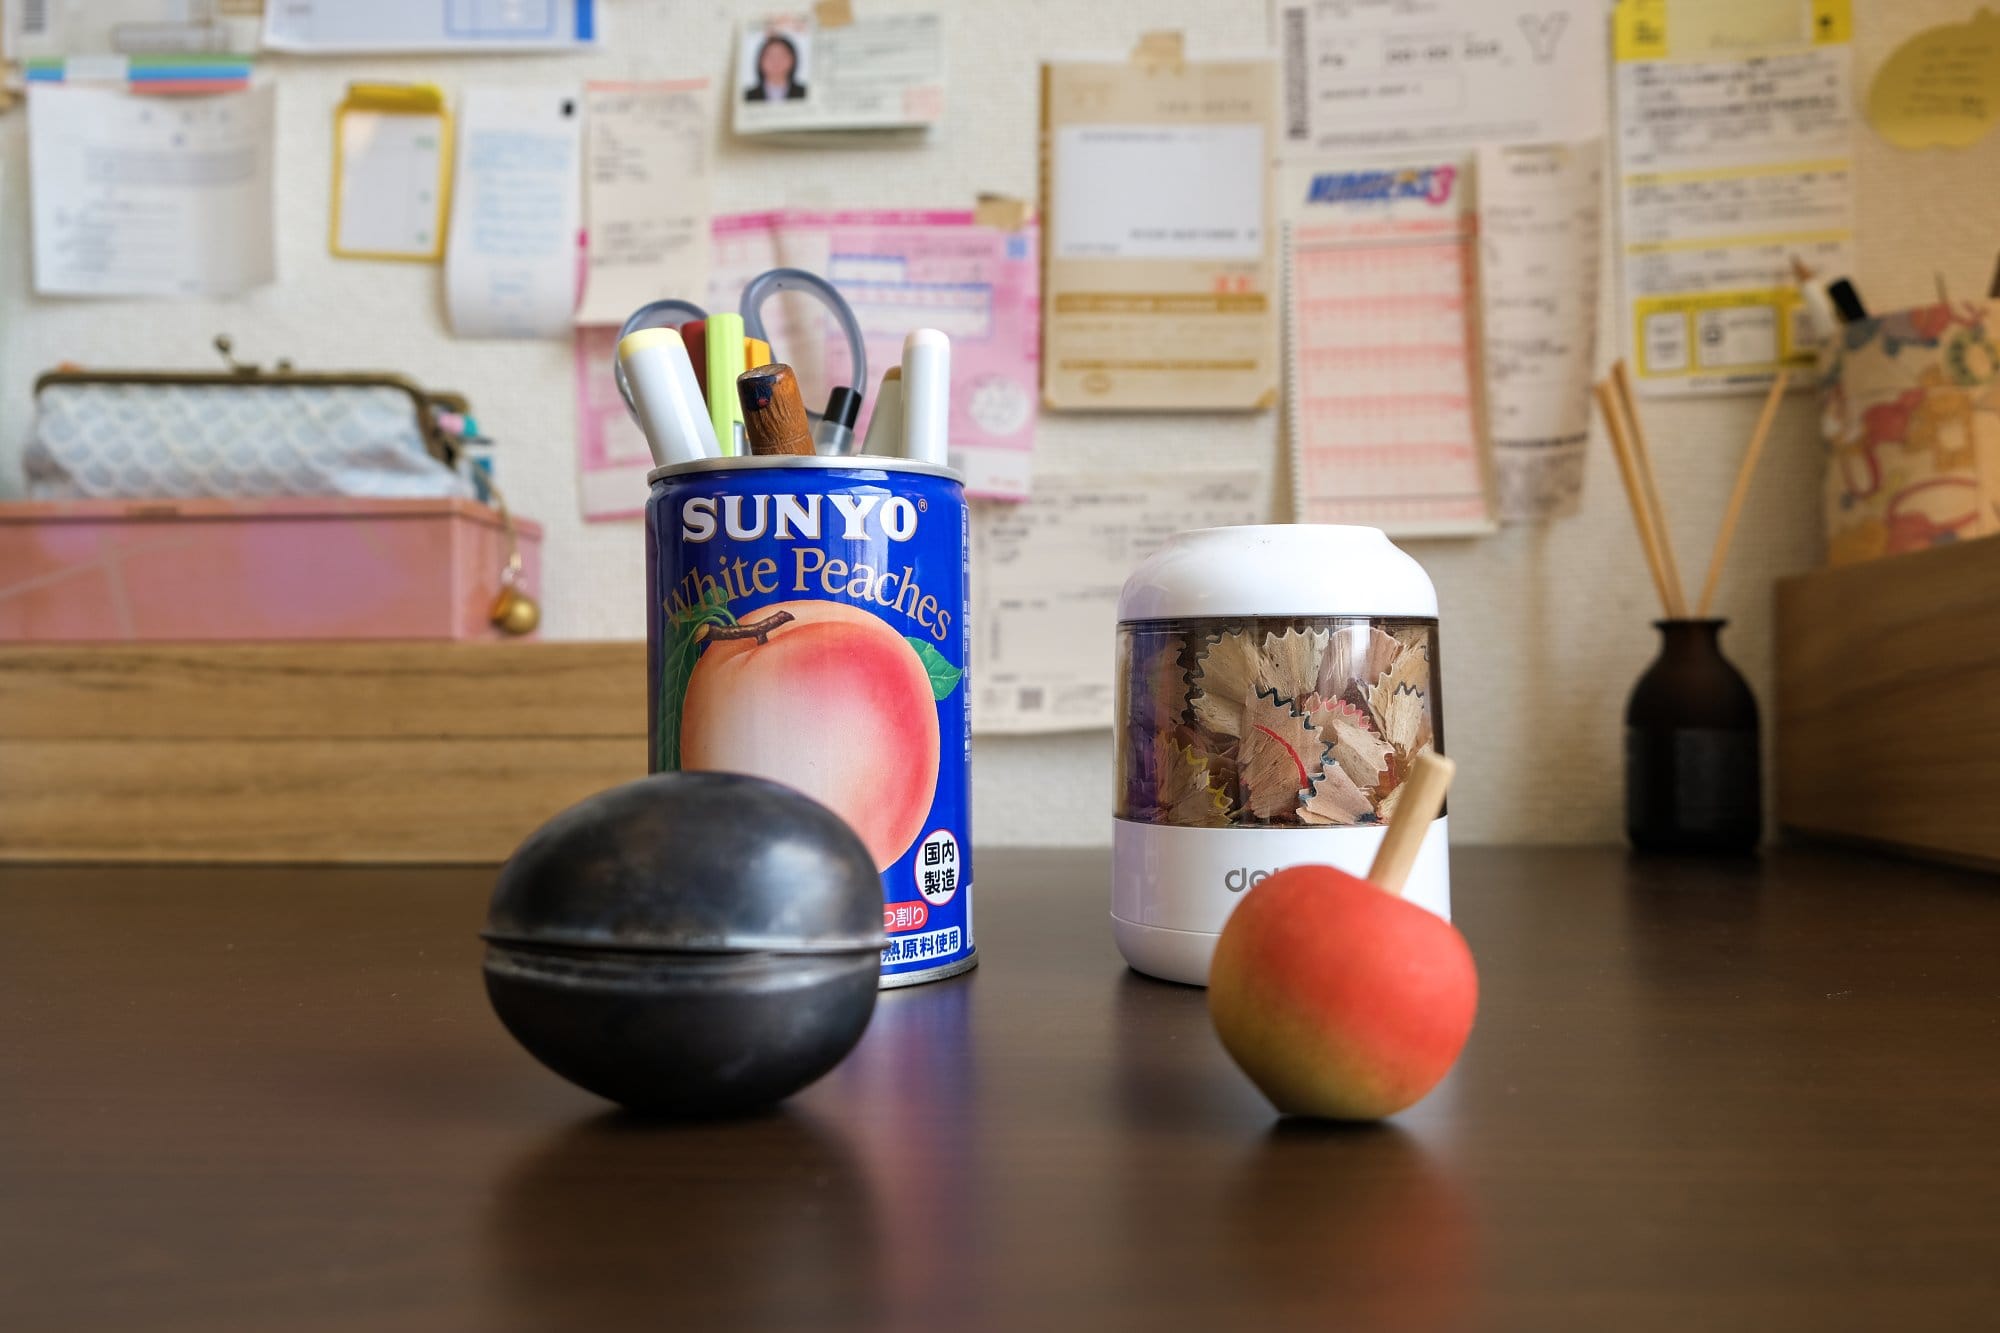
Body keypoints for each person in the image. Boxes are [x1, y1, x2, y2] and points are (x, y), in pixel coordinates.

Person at [745, 34, 807, 102]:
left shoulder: (805, 93)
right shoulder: (748, 96)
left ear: (793, 60)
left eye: (782, 56)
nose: (776, 61)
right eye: (771, 56)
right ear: (760, 61)